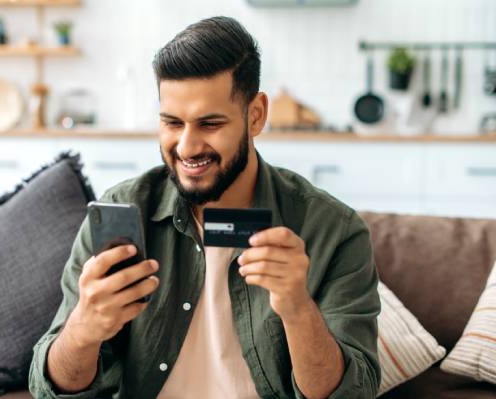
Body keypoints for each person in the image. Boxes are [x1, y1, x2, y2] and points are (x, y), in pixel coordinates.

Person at [29, 16, 380, 399]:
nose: (187, 146)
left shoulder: (334, 230)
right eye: (172, 123)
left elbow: (352, 393)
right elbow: (49, 389)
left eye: (210, 124)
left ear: (256, 115)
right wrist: (84, 329)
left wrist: (297, 308)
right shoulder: (122, 209)